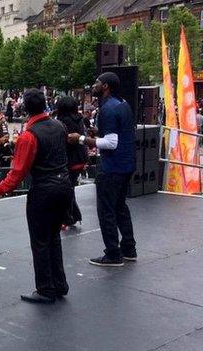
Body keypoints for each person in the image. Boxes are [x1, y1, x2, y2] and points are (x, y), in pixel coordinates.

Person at [0, 89, 73, 304]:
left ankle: (46, 289)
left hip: (44, 190)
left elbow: (18, 173)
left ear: (24, 108)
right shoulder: (59, 126)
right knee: (53, 237)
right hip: (63, 185)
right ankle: (60, 284)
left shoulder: (28, 136)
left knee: (40, 241)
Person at [68, 72, 136, 267]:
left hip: (112, 167)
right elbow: (119, 134)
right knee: (120, 206)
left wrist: (80, 139)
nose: (94, 85)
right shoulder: (122, 104)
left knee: (106, 210)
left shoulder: (107, 109)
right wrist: (98, 133)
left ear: (105, 86)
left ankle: (113, 254)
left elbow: (111, 143)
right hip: (127, 164)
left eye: (97, 82)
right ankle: (129, 248)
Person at [56, 96, 88, 228]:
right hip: (79, 158)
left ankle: (69, 217)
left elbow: (65, 141)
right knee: (70, 188)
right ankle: (72, 215)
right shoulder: (79, 119)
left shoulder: (64, 121)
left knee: (65, 189)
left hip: (70, 159)